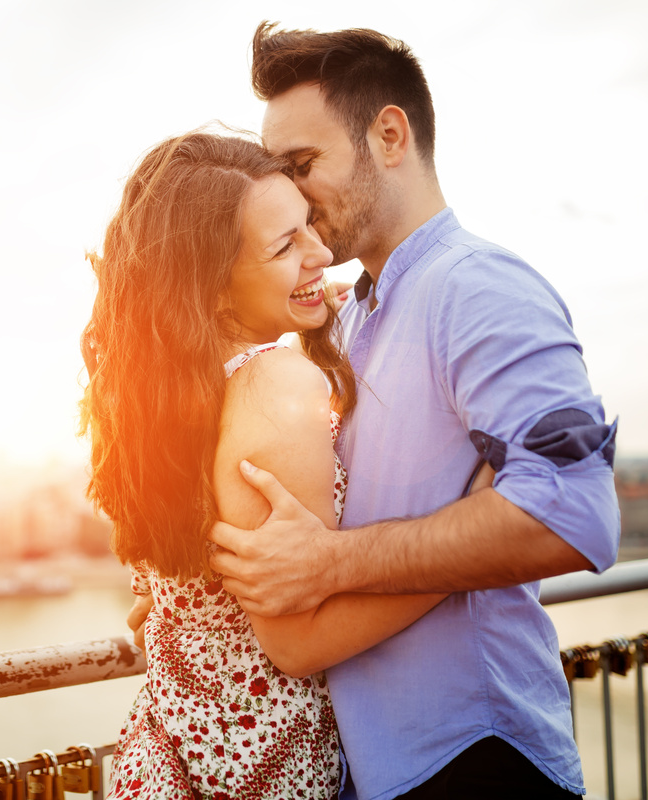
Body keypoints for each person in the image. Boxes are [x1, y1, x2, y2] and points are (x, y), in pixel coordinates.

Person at [195, 23, 621, 800]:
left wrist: (332, 564)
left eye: (302, 164)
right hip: (376, 769)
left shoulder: (477, 287)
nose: (290, 192)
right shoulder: (347, 317)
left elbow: (576, 514)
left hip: (477, 759)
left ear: (389, 134)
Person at [81, 131, 485, 800]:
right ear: (209, 288)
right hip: (259, 771)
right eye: (284, 246)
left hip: (168, 756)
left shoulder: (154, 398)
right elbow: (295, 645)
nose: (322, 255)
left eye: (307, 228)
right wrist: (463, 559)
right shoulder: (275, 384)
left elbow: (175, 583)